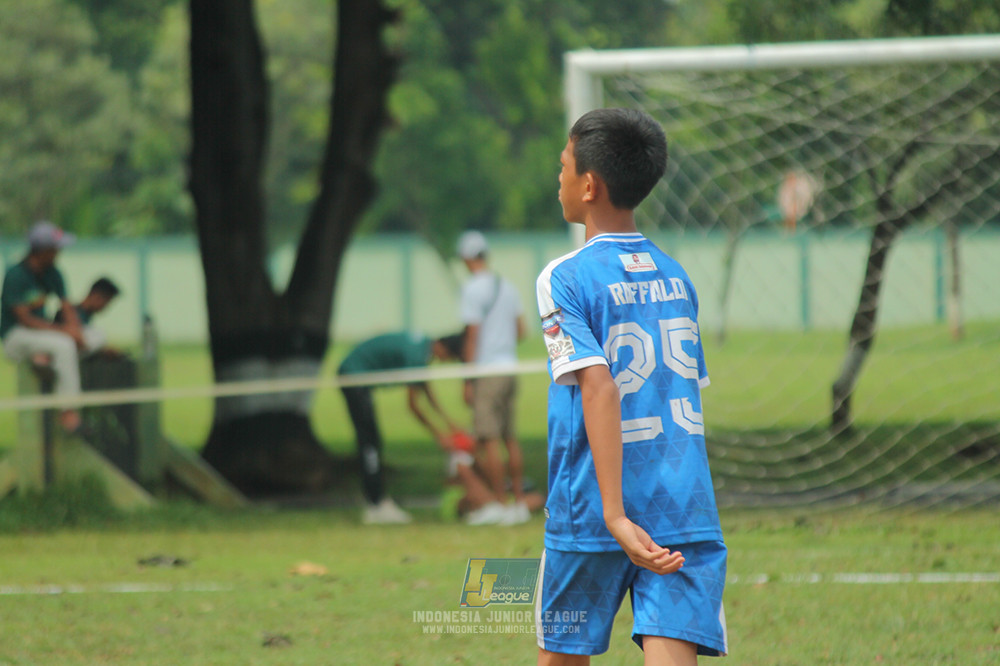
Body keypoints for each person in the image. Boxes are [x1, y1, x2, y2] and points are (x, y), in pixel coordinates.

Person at [533, 108, 728, 664]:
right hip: (681, 504)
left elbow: (600, 389)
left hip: (592, 506)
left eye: (564, 166)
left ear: (589, 185)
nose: (559, 176)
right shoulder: (677, 276)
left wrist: (615, 514)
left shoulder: (564, 277)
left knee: (561, 657)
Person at [338, 331, 466, 525]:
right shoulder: (417, 356)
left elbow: (425, 389)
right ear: (443, 348)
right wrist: (439, 435)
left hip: (357, 374)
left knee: (372, 439)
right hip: (354, 376)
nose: (445, 362)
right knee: (369, 441)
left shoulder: (421, 346)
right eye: (449, 358)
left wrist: (449, 423)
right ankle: (375, 503)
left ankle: (377, 500)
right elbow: (413, 405)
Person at [456, 229, 529, 525]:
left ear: (466, 258)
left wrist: (467, 377)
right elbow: (521, 330)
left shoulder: (472, 290)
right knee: (510, 438)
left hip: (486, 371)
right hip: (510, 367)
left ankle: (500, 503)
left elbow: (472, 336)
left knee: (489, 439)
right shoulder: (507, 287)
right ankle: (519, 502)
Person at [0, 221, 85, 432]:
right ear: (43, 250)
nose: (59, 252)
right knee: (64, 345)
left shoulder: (52, 273)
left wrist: (76, 330)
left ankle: (45, 359)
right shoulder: (16, 275)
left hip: (42, 334)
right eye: (55, 248)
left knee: (93, 337)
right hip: (16, 336)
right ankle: (68, 410)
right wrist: (66, 332)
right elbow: (25, 320)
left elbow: (66, 306)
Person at [54, 276, 121, 356]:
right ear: (97, 296)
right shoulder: (68, 313)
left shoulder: (87, 315)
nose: (106, 307)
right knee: (99, 335)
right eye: (107, 302)